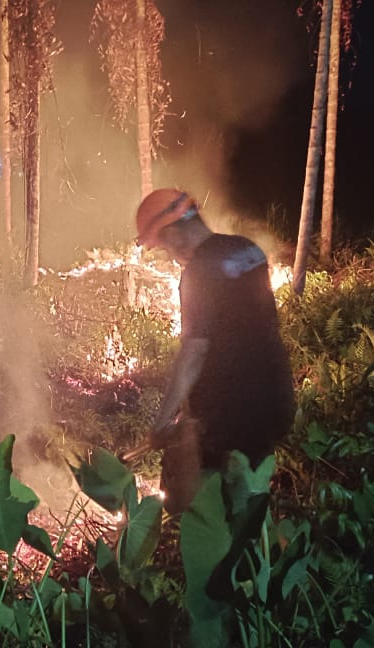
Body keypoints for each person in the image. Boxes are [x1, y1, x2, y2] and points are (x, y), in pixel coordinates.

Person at [135, 188, 295, 515]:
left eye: (163, 244)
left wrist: (163, 421)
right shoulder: (248, 250)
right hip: (273, 400)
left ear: (173, 233)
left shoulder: (198, 273)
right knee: (251, 507)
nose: (167, 252)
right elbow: (244, 333)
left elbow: (194, 352)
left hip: (228, 420)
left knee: (215, 520)